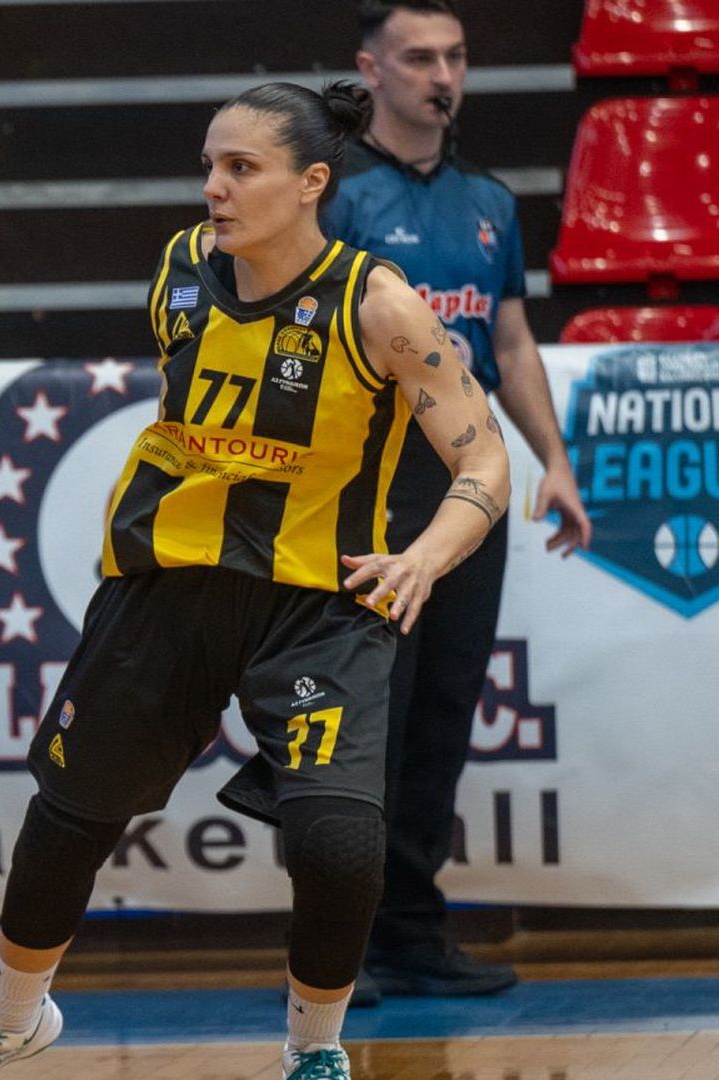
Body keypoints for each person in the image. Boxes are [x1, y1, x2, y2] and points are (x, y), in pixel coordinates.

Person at [0, 81, 510, 1080]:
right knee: (70, 814)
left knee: (337, 843)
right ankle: (11, 1019)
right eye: (209, 167)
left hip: (318, 603)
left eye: (241, 168)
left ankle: (315, 1052)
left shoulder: (378, 305)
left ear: (310, 182)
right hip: (169, 587)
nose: (214, 188)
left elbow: (484, 458)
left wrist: (423, 557)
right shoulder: (182, 268)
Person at [325, 0, 591, 1004]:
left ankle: (410, 934)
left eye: (456, 56)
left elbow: (510, 343)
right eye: (419, 57)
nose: (443, 75)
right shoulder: (335, 194)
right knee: (365, 718)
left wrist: (553, 461)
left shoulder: (488, 200)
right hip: (367, 483)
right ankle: (336, 945)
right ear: (371, 70)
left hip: (469, 481)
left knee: (442, 711)